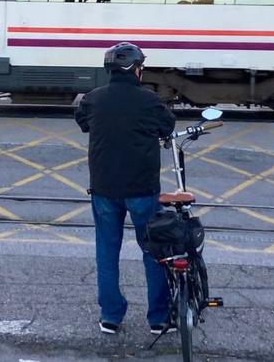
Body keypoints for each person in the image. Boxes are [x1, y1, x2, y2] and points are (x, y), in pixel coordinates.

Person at [75, 42, 177, 336]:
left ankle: (110, 316)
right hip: (142, 189)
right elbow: (168, 127)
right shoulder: (149, 100)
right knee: (154, 251)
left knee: (107, 251)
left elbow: (83, 121)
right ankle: (158, 318)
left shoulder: (93, 99)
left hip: (104, 189)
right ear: (136, 70)